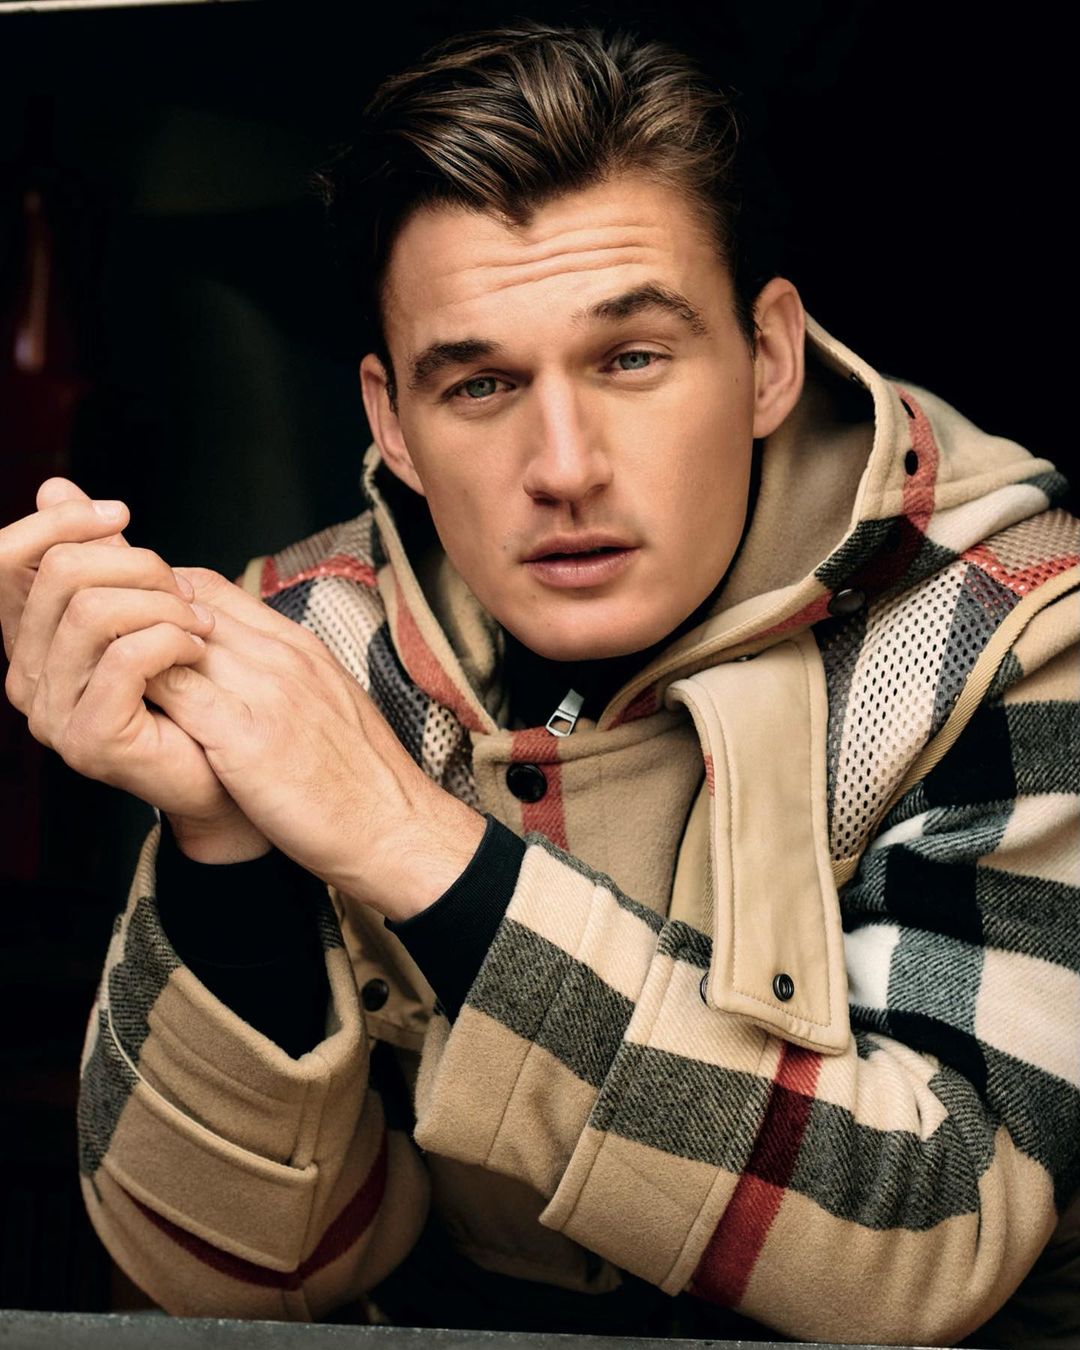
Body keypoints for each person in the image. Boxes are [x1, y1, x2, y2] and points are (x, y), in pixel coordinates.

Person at [1, 21, 1078, 1346]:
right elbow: (223, 1296)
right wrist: (224, 854)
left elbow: (933, 1244)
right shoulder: (310, 645)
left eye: (631, 359)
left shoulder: (1005, 627)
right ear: (392, 423)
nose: (563, 466)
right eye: (480, 383)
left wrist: (411, 845)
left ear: (769, 357)